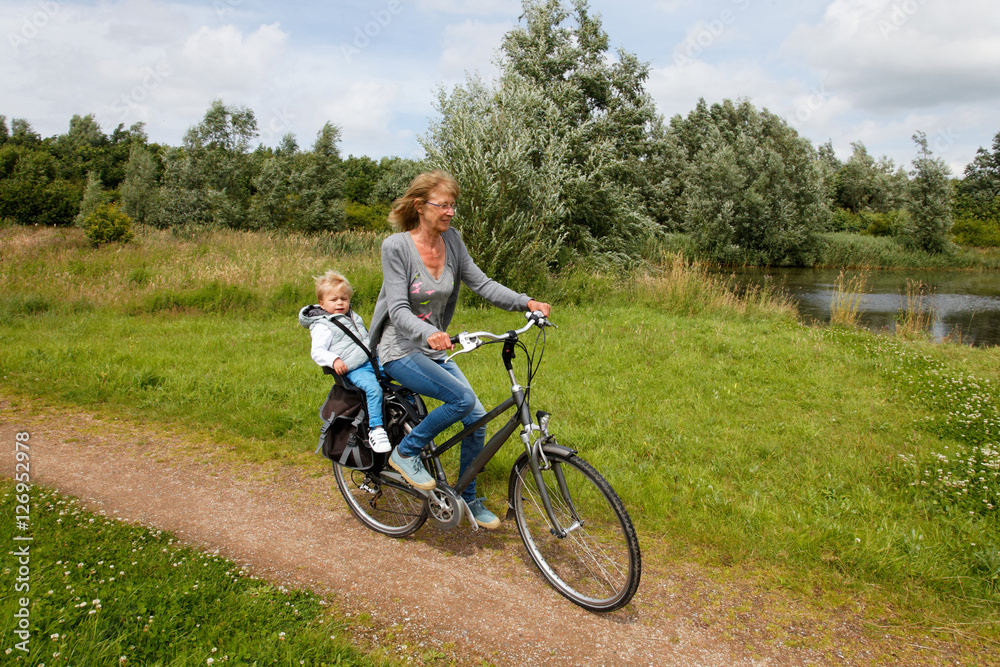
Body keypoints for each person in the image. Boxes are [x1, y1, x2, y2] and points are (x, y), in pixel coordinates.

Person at [369, 170, 551, 529]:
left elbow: (481, 283)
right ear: (420, 206)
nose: (450, 212)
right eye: (443, 205)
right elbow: (398, 311)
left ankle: (469, 498)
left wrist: (524, 302)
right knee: (461, 400)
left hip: (433, 347)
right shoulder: (396, 247)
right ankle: (406, 454)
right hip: (399, 349)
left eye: (453, 205)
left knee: (476, 419)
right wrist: (428, 333)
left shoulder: (452, 242)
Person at [299, 270, 391, 453]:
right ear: (321, 303)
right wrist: (334, 360)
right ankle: (377, 429)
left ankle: (411, 413)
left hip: (372, 361)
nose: (340, 303)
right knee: (373, 389)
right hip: (355, 369)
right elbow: (317, 351)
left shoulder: (353, 317)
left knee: (405, 372)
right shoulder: (322, 325)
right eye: (333, 300)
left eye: (344, 298)